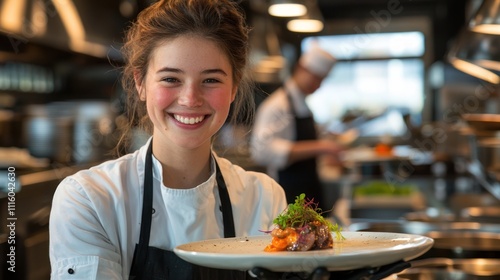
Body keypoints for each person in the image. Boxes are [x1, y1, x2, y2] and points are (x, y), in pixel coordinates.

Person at [48, 1, 287, 279]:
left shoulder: (264, 198)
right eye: (171, 78)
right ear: (140, 83)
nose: (190, 99)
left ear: (233, 87)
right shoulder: (90, 199)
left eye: (210, 80)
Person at [250, 43, 342, 213]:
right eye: (315, 77)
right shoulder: (277, 105)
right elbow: (261, 151)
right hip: (288, 194)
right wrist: (321, 147)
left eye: (322, 79)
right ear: (301, 68)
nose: (318, 84)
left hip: (309, 190)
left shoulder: (302, 103)